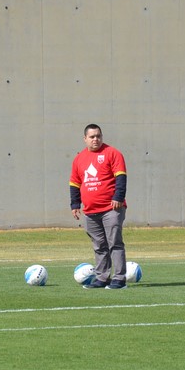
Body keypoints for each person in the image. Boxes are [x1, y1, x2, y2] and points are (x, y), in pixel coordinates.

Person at [69, 124, 128, 289]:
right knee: (99, 245)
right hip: (90, 211)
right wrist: (75, 204)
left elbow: (121, 177)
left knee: (114, 243)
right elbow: (74, 183)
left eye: (98, 136)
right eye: (92, 136)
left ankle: (119, 279)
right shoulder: (79, 158)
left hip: (111, 208)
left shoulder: (112, 153)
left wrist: (118, 197)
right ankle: (102, 278)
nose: (96, 139)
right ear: (85, 139)